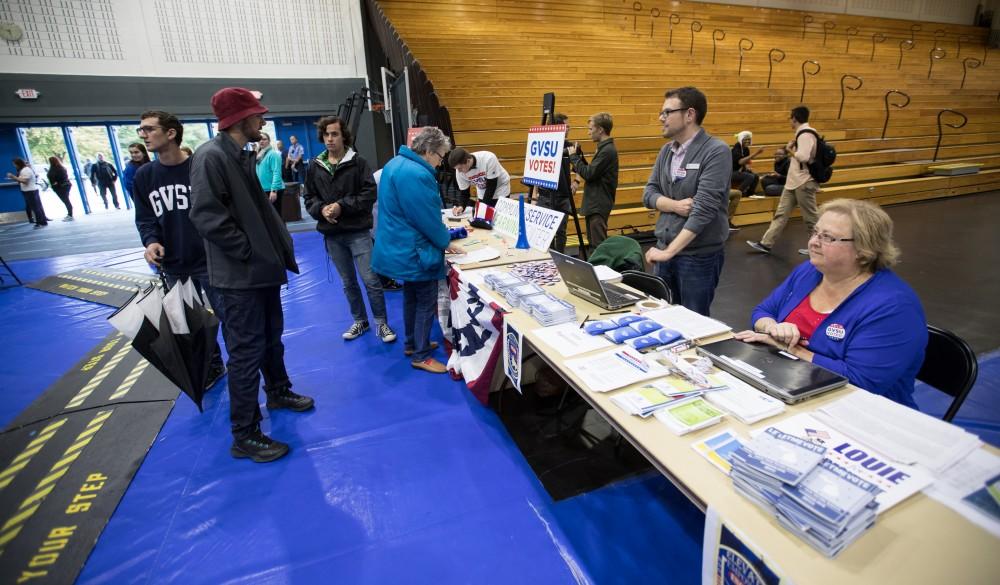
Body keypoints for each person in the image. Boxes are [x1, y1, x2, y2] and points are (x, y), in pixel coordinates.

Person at [189, 87, 314, 463]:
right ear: (240, 120)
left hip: (258, 272)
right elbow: (206, 216)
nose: (263, 118)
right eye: (257, 114)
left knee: (271, 339)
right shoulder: (210, 157)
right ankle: (244, 433)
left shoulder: (239, 154)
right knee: (245, 353)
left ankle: (278, 389)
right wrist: (248, 251)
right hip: (238, 277)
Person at [735, 199, 927, 408]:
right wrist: (773, 328)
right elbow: (764, 311)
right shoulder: (809, 271)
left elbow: (862, 382)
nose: (814, 242)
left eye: (828, 237)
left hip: (860, 410)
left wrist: (792, 350)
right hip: (794, 388)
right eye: (815, 232)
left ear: (864, 249)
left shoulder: (894, 308)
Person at [132, 110, 226, 391]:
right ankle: (212, 365)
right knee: (190, 322)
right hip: (174, 263)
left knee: (229, 314)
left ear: (170, 133)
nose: (143, 135)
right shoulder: (145, 176)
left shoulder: (200, 166)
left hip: (212, 260)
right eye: (141, 131)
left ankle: (245, 364)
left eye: (149, 129)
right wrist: (150, 242)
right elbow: (146, 217)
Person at [371, 127, 464, 374]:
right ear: (429, 151)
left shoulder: (394, 163)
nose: (441, 162)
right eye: (441, 156)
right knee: (425, 300)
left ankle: (413, 343)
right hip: (415, 250)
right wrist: (446, 241)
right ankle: (422, 354)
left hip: (397, 245)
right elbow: (426, 218)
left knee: (410, 296)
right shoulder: (417, 174)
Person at [304, 115, 396, 343]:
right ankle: (360, 321)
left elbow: (368, 195)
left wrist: (340, 206)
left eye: (334, 134)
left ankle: (382, 324)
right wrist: (322, 209)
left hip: (358, 233)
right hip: (333, 236)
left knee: (371, 280)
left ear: (343, 136)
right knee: (348, 283)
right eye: (326, 134)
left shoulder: (359, 163)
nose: (330, 139)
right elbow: (309, 197)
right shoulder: (315, 166)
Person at [641, 87, 731, 316]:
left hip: (697, 258)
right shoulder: (666, 152)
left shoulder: (716, 151)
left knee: (693, 323)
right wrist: (675, 206)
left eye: (667, 112)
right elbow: (648, 193)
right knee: (663, 318)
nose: (661, 118)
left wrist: (669, 252)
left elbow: (703, 210)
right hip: (664, 252)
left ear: (689, 115)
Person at [747, 106, 820, 256]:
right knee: (780, 214)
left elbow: (804, 157)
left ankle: (820, 247)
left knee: (810, 218)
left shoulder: (805, 134)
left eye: (790, 117)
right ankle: (766, 243)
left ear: (795, 118)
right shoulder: (802, 134)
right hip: (793, 182)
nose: (790, 121)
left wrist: (789, 150)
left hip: (803, 181)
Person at [567, 112, 618, 251]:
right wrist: (579, 156)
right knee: (594, 243)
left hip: (598, 203)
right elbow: (592, 170)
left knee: (598, 246)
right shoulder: (604, 148)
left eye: (590, 129)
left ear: (600, 129)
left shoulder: (607, 150)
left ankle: (603, 272)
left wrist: (573, 157)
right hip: (595, 202)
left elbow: (589, 174)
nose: (588, 132)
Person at [535, 113, 578, 253]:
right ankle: (548, 259)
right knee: (545, 232)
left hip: (563, 195)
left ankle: (560, 258)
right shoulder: (543, 144)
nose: (569, 129)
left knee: (561, 231)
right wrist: (535, 193)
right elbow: (537, 168)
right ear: (558, 127)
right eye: (567, 126)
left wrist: (576, 181)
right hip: (545, 195)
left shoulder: (570, 146)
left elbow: (580, 165)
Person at [447, 148, 511, 213]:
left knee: (498, 214)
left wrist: (482, 207)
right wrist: (461, 206)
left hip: (500, 187)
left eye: (460, 168)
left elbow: (491, 186)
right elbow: (464, 193)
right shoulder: (459, 171)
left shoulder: (489, 158)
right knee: (483, 215)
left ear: (468, 161)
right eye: (457, 169)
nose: (459, 171)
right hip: (482, 188)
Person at [7, 158, 47, 228]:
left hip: (30, 191)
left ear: (18, 164)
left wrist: (13, 177)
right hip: (29, 191)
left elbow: (25, 181)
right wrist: (16, 178)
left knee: (36, 208)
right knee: (37, 207)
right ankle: (42, 222)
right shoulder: (24, 170)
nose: (14, 166)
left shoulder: (26, 170)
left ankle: (40, 223)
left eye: (15, 164)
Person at [255, 131, 285, 216]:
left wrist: (274, 190)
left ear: (269, 141)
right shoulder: (259, 155)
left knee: (276, 217)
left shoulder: (273, 154)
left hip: (273, 190)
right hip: (263, 189)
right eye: (259, 139)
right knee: (268, 217)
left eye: (264, 139)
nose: (261, 141)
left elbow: (277, 173)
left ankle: (281, 230)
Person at [46, 156, 74, 220]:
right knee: (66, 200)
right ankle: (70, 214)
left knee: (66, 200)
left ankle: (70, 215)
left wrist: (55, 184)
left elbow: (54, 180)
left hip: (60, 187)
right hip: (66, 185)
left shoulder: (53, 170)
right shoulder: (62, 168)